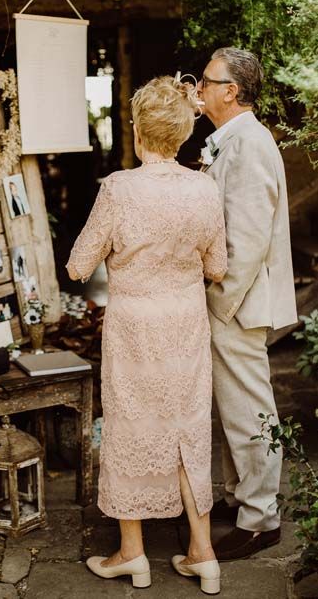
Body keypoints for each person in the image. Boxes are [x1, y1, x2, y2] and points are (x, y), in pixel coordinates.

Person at [67, 76, 227, 593]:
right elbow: (218, 266)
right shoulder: (204, 188)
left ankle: (132, 553)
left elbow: (76, 267)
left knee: (131, 426)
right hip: (185, 324)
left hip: (135, 326)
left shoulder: (118, 189)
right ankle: (203, 554)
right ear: (182, 134)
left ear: (139, 132)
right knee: (187, 429)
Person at [197, 48, 297, 560]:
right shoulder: (230, 141)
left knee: (250, 410)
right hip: (232, 302)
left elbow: (249, 237)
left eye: (206, 81)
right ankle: (241, 499)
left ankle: (261, 519)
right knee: (234, 410)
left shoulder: (251, 145)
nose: (198, 88)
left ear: (230, 91)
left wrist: (218, 301)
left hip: (239, 303)